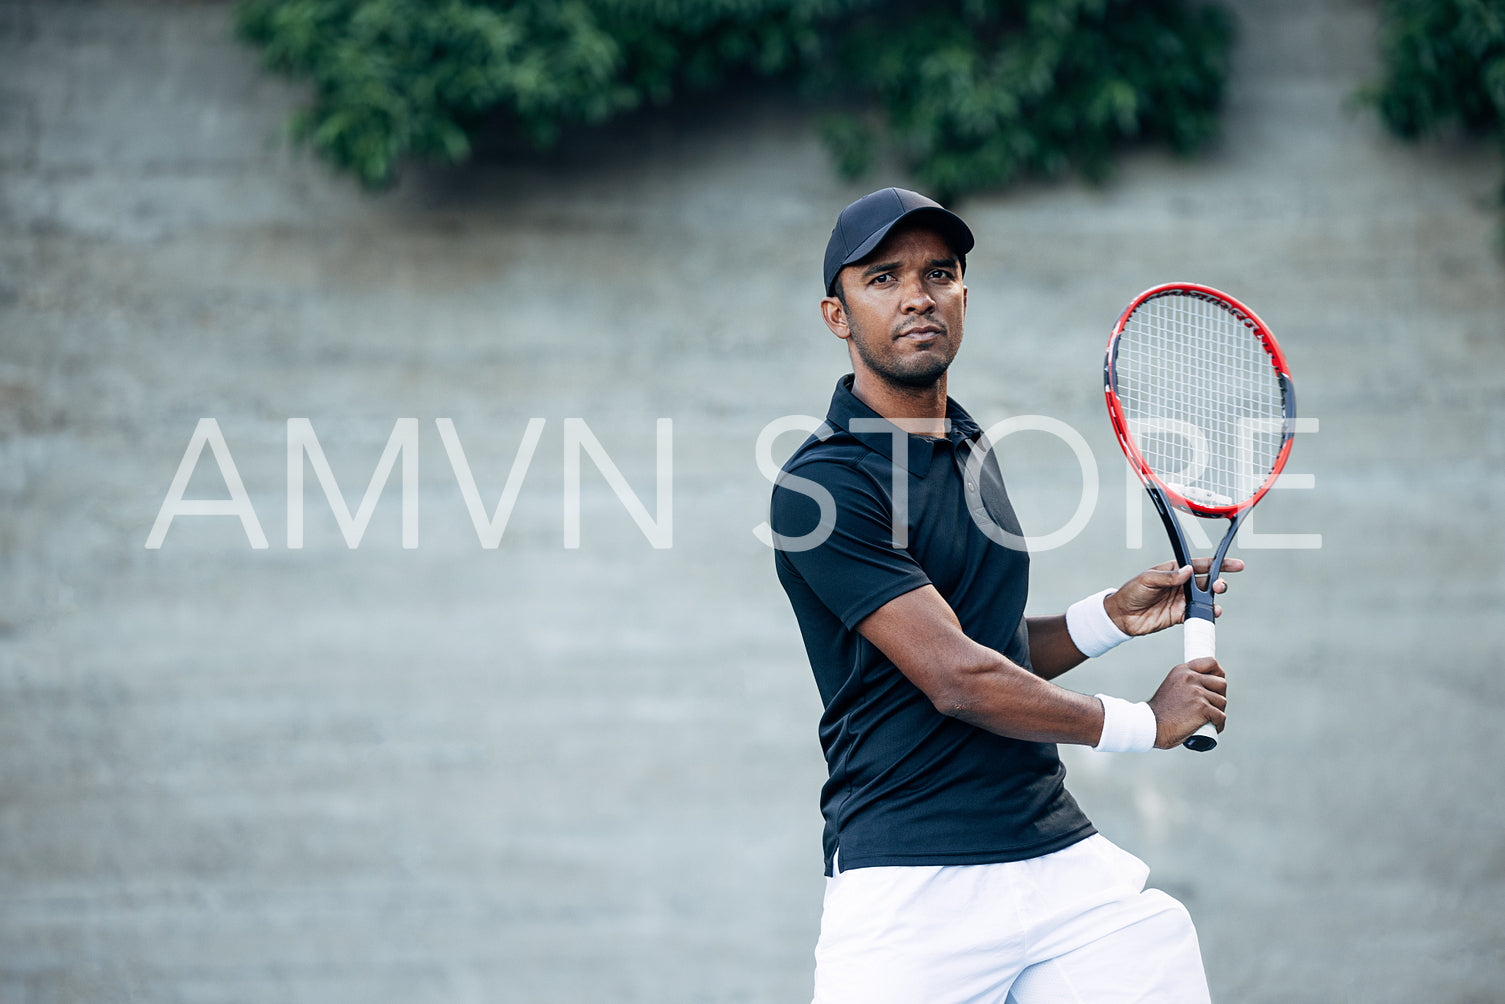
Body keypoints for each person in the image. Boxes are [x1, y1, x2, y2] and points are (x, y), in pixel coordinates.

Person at [768, 187, 1240, 1003]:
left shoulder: (967, 444)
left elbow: (985, 645)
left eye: (938, 273)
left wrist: (1107, 619)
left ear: (961, 294)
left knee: (1156, 940)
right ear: (836, 316)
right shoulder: (824, 486)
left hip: (1054, 860)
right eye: (882, 278)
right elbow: (956, 679)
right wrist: (1143, 724)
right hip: (911, 883)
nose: (917, 295)